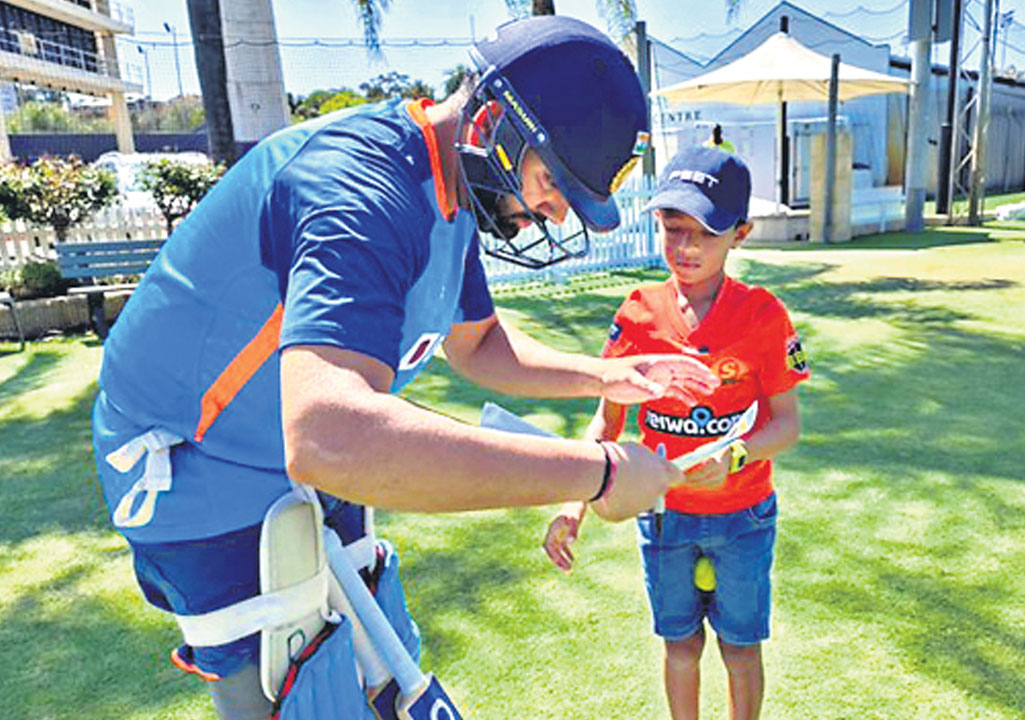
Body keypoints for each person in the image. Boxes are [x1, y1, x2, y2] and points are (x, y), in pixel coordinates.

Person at [92, 16, 718, 720]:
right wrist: (598, 470)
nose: (556, 211)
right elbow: (330, 437)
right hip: (192, 458)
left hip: (281, 448)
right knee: (293, 698)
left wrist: (602, 377)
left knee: (385, 669)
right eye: (552, 181)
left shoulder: (445, 186)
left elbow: (478, 345)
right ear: (488, 121)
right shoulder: (358, 191)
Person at [542, 146, 809, 720]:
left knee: (740, 650)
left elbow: (786, 424)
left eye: (704, 234)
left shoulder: (765, 316)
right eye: (672, 229)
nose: (685, 248)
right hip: (663, 517)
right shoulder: (637, 312)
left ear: (740, 233)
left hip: (744, 517)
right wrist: (574, 503)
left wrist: (737, 455)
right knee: (680, 645)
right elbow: (606, 420)